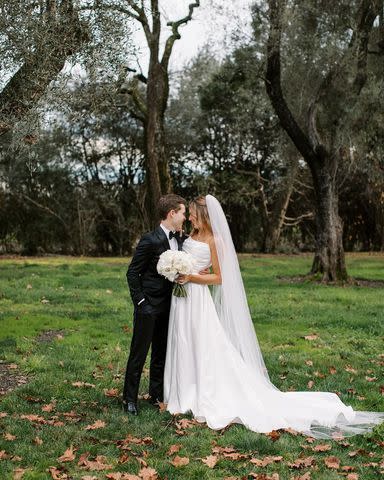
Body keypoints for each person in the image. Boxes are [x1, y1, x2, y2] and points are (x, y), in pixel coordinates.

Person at [163, 194, 384, 438]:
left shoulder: (215, 240)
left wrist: (191, 276)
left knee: (203, 344)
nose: (190, 216)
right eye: (190, 213)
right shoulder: (190, 235)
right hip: (182, 299)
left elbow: (220, 277)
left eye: (193, 213)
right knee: (184, 340)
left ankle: (202, 391)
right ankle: (182, 391)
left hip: (199, 300)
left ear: (204, 215)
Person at [122, 194, 187, 415]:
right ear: (172, 214)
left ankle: (156, 394)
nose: (184, 217)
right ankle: (129, 399)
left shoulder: (180, 239)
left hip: (170, 305)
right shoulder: (149, 240)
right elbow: (133, 272)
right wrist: (141, 302)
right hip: (148, 305)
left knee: (161, 351)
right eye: (183, 213)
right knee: (139, 353)